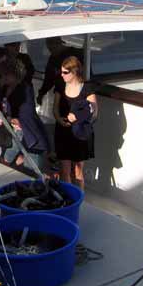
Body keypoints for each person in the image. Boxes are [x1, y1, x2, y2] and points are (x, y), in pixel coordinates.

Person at [0, 47, 48, 170]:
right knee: (6, 162)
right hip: (14, 134)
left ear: (15, 75)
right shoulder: (5, 89)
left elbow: (24, 118)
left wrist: (5, 118)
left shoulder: (24, 90)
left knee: (28, 170)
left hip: (26, 136)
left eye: (6, 74)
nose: (3, 76)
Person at [53, 55, 97, 189]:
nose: (62, 75)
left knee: (78, 171)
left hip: (80, 133)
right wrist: (59, 119)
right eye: (61, 72)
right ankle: (68, 199)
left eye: (65, 72)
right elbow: (55, 108)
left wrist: (78, 118)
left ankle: (79, 200)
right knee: (64, 170)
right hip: (63, 131)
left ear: (75, 72)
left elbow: (94, 113)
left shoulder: (87, 88)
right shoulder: (60, 86)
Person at [37, 37, 84, 106]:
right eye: (49, 48)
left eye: (53, 48)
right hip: (61, 97)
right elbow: (49, 79)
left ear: (59, 43)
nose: (51, 51)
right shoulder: (52, 59)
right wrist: (41, 93)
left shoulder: (76, 53)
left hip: (77, 93)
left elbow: (86, 71)